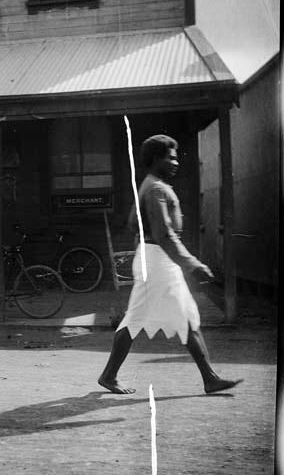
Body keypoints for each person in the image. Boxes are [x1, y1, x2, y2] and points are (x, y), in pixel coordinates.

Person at [98, 134, 243, 395]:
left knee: (186, 315)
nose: (176, 162)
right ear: (156, 159)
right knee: (138, 317)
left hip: (157, 258)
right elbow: (164, 234)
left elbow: (135, 223)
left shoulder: (151, 185)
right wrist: (193, 264)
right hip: (157, 260)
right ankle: (109, 375)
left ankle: (210, 378)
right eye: (171, 157)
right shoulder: (155, 189)